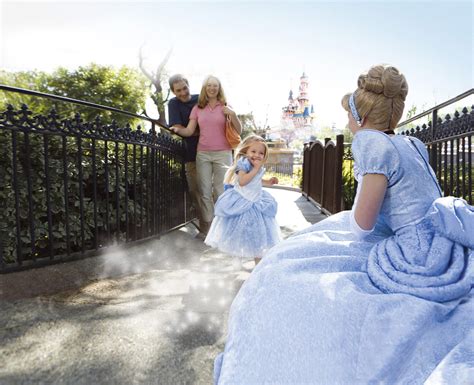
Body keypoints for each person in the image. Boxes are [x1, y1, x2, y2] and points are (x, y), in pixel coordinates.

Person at [213, 64, 474, 384]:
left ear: (361, 118)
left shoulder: (371, 143)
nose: (348, 124)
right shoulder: (413, 144)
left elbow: (363, 224)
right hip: (446, 241)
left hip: (415, 252)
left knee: (283, 272)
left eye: (350, 116)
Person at [171, 75, 242, 235]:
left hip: (223, 153)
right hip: (202, 154)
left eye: (215, 85)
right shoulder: (197, 108)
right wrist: (177, 130)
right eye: (209, 85)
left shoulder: (225, 106)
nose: (212, 88)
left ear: (219, 88)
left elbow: (238, 130)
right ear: (205, 88)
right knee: (204, 192)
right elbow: (189, 131)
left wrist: (233, 114)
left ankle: (223, 228)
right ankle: (209, 229)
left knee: (221, 191)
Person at [204, 135, 281, 268]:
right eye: (253, 151)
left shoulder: (257, 166)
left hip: (256, 203)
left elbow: (255, 180)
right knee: (241, 232)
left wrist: (268, 181)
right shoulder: (243, 164)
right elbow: (243, 181)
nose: (257, 155)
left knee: (259, 235)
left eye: (261, 153)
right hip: (242, 202)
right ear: (246, 151)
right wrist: (256, 169)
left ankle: (258, 266)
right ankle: (238, 257)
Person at [167, 74, 204, 234]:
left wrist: (190, 131)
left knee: (216, 191)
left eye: (184, 88)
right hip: (190, 155)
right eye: (178, 90)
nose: (183, 92)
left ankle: (221, 227)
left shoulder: (200, 99)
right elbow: (177, 127)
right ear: (173, 92)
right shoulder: (173, 104)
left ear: (189, 85)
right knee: (195, 191)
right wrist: (197, 131)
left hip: (211, 151)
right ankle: (205, 228)